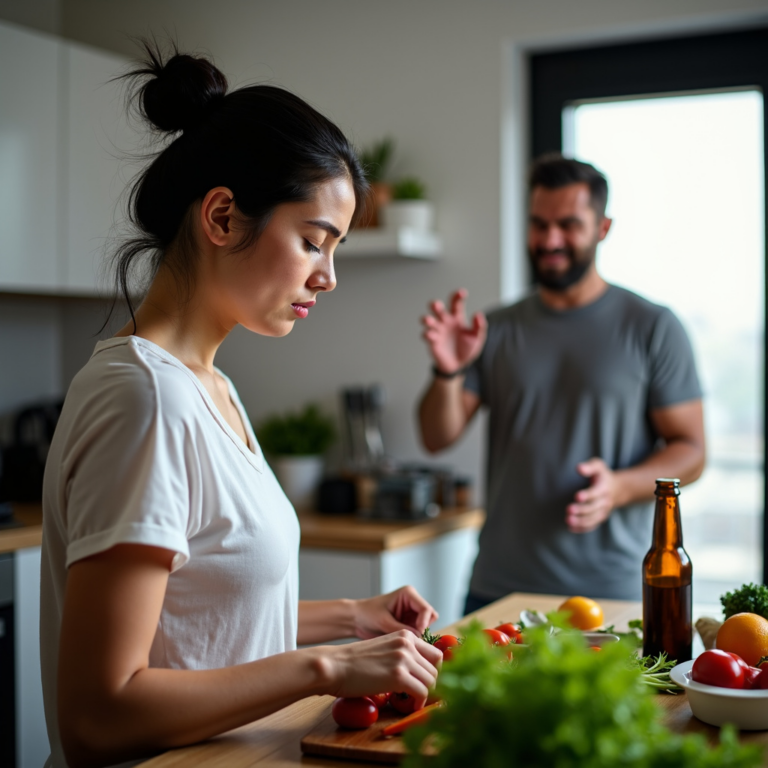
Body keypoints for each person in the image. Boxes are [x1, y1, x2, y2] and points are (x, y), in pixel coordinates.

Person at [41, 45, 441, 768]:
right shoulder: (146, 396)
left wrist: (353, 618)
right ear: (222, 216)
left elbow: (199, 620)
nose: (329, 277)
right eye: (315, 242)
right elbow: (97, 716)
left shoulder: (209, 387)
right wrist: (327, 667)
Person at [418, 154, 705, 611]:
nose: (550, 240)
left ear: (603, 228)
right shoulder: (495, 328)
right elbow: (436, 437)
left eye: (568, 224)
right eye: (539, 224)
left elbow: (691, 450)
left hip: (611, 593)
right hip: (499, 589)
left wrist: (620, 486)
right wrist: (448, 369)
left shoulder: (651, 327)